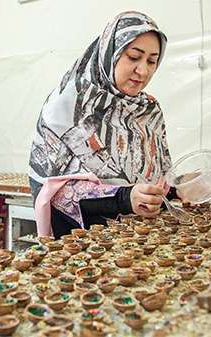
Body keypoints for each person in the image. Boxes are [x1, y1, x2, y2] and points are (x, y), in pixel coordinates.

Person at [29, 11, 179, 238]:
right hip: (84, 246)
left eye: (152, 60)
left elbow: (156, 175)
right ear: (110, 52)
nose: (143, 70)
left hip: (144, 240)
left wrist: (177, 188)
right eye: (133, 57)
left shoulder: (148, 110)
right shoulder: (68, 107)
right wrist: (123, 198)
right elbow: (50, 192)